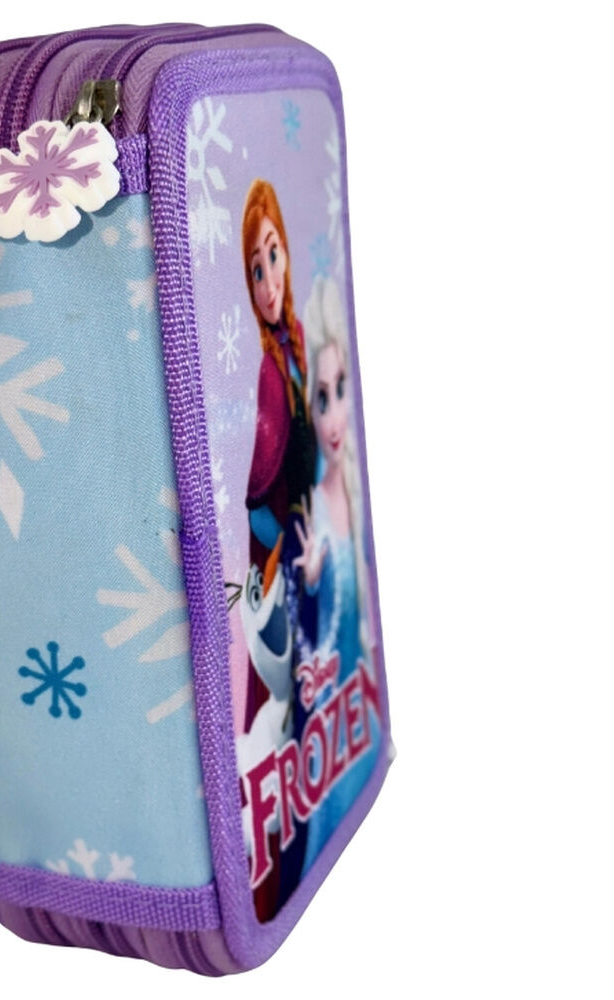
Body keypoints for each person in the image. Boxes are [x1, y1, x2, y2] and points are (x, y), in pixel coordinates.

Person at [237, 179, 317, 919]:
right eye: (253, 269)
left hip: (301, 544)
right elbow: (257, 486)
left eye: (272, 258)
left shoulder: (291, 345)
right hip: (279, 559)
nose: (267, 282)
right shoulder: (267, 369)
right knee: (282, 706)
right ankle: (272, 868)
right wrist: (283, 543)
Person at [295, 275, 380, 875]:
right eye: (320, 399)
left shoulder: (349, 487)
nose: (333, 415)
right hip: (327, 720)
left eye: (340, 390)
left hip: (358, 712)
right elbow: (310, 636)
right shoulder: (316, 511)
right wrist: (311, 581)